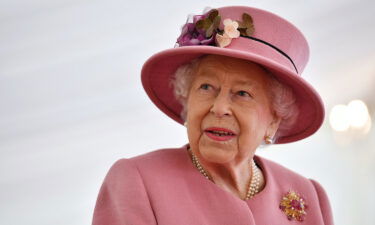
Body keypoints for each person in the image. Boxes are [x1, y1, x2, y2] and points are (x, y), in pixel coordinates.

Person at [92, 6, 334, 225]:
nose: (219, 108)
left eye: (242, 93)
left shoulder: (309, 195)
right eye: (206, 87)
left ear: (273, 120)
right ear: (187, 100)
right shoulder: (138, 180)